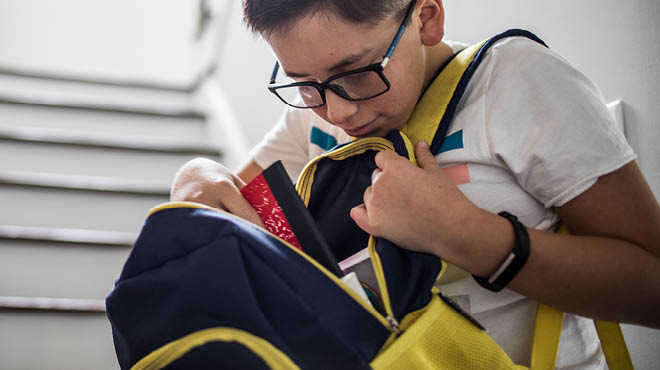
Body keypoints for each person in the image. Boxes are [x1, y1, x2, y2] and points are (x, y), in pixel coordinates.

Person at [171, 0, 660, 367]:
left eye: (357, 72)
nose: (337, 111)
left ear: (426, 18)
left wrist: (464, 233)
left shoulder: (516, 82)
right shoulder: (309, 120)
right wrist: (196, 175)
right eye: (303, 83)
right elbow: (233, 202)